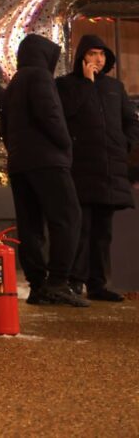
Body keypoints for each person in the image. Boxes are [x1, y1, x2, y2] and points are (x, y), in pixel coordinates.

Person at [0, 34, 87, 307]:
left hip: (19, 163)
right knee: (68, 218)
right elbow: (50, 115)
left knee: (30, 225)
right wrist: (66, 144)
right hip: (48, 160)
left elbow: (4, 126)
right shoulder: (40, 77)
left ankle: (37, 285)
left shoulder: (15, 82)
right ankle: (58, 283)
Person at [56, 35, 139, 302]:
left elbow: (131, 121)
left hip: (109, 169)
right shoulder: (66, 85)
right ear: (82, 56)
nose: (98, 59)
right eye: (92, 53)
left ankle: (98, 284)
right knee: (80, 228)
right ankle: (74, 281)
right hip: (80, 167)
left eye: (102, 54)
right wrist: (87, 85)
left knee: (103, 232)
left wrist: (125, 143)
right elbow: (64, 114)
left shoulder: (115, 87)